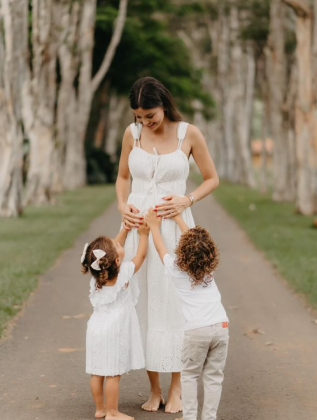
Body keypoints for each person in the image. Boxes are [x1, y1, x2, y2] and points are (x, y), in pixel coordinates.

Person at [116, 76, 219, 413]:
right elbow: (122, 178)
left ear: (163, 104)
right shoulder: (131, 135)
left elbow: (211, 178)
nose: (145, 122)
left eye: (151, 115)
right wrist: (122, 206)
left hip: (175, 230)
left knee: (175, 305)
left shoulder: (187, 133)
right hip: (136, 231)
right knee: (141, 304)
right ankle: (154, 389)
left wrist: (186, 200)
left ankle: (177, 388)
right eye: (140, 117)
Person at [145, 208, 229, 420]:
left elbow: (160, 247)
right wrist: (179, 219)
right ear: (210, 252)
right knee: (213, 377)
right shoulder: (209, 269)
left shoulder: (176, 269)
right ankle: (209, 418)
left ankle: (190, 417)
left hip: (197, 331)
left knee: (190, 375)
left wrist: (154, 227)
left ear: (182, 250)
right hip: (221, 327)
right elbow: (196, 242)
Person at [80, 224, 149, 420]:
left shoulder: (97, 276)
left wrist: (125, 229)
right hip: (115, 328)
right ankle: (112, 412)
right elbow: (141, 256)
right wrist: (143, 235)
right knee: (112, 373)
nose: (119, 243)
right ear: (117, 260)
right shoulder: (124, 271)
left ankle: (100, 408)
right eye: (117, 245)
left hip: (96, 327)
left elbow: (110, 250)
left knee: (97, 371)